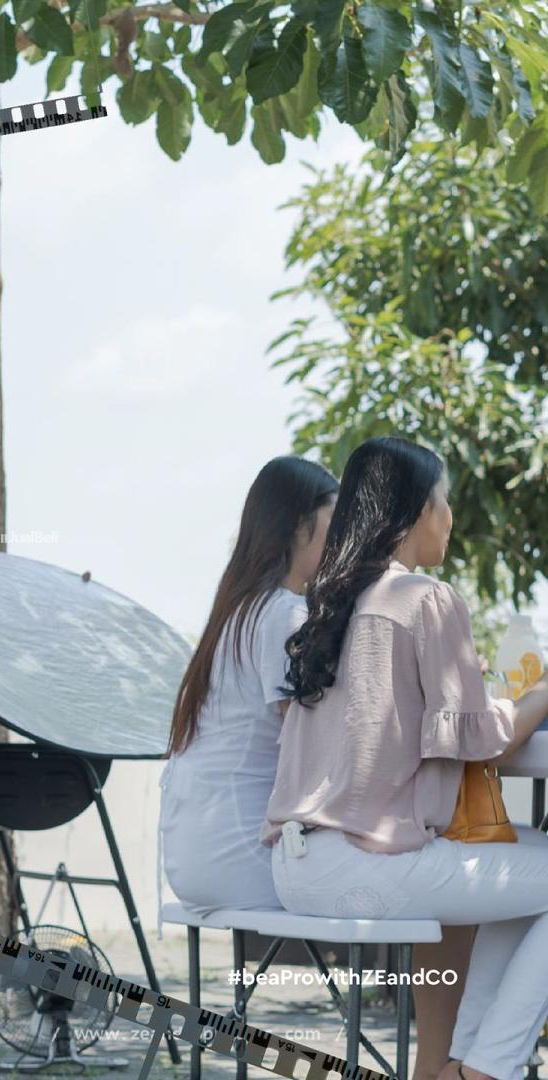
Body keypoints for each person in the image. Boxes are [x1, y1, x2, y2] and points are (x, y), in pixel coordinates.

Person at [265, 436, 548, 1080]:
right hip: (366, 863)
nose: (451, 517)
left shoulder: (331, 603)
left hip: (296, 864)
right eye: (445, 501)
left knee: (527, 865)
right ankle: (485, 1071)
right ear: (421, 510)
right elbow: (486, 739)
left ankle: (461, 1062)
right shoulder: (423, 596)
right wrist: (542, 691)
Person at [159, 455, 337, 914]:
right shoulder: (285, 613)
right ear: (299, 527)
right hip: (241, 858)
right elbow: (311, 747)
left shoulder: (236, 611)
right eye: (333, 523)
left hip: (190, 859)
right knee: (397, 880)